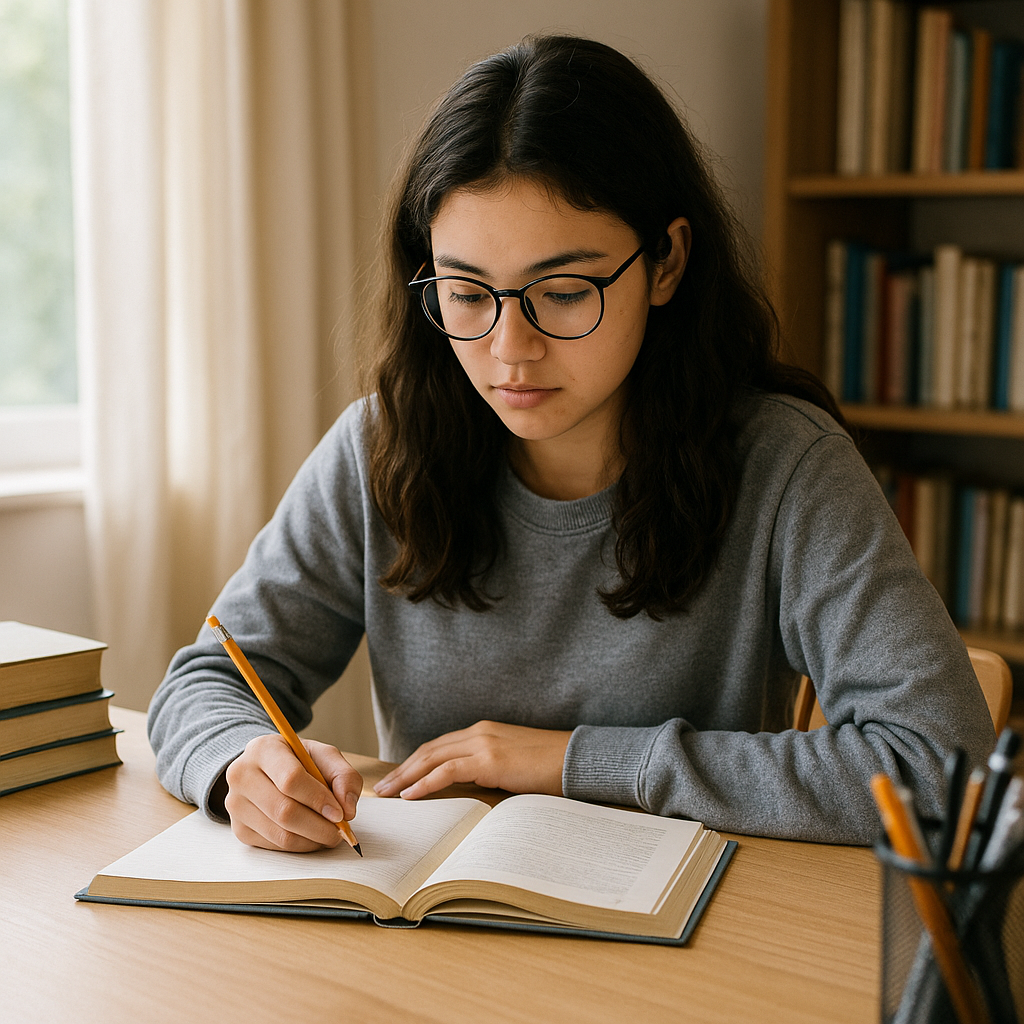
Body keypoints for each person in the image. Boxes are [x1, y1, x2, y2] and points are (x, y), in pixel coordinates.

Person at [148, 34, 994, 853]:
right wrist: (239, 766)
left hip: (696, 945)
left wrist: (574, 760)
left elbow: (936, 763)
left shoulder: (787, 466)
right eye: (466, 293)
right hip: (434, 941)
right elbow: (208, 679)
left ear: (665, 263)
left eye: (562, 290)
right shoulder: (382, 446)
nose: (510, 349)